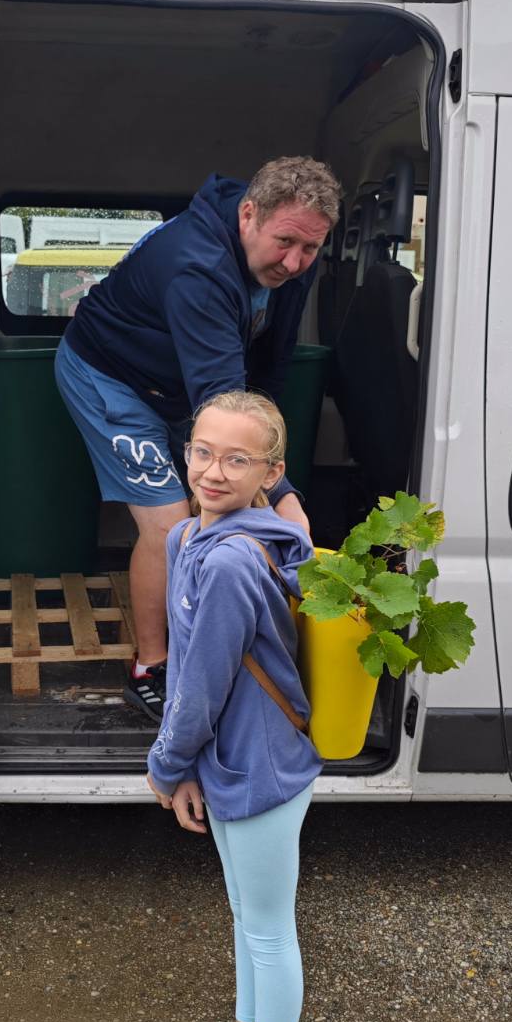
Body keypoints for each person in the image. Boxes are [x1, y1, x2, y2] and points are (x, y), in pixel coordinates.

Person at [55, 156, 341, 721]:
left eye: (310, 250)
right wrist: (283, 497)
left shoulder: (292, 249)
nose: (294, 262)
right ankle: (151, 667)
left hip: (182, 381)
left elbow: (269, 368)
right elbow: (224, 405)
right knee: (169, 526)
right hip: (110, 376)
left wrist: (281, 484)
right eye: (285, 243)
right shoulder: (199, 269)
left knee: (223, 490)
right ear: (249, 214)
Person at [146, 390, 323, 1022]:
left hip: (260, 769)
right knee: (248, 920)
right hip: (226, 762)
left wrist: (165, 764)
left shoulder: (229, 563)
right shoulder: (188, 537)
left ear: (271, 474)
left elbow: (203, 683)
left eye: (238, 459)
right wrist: (188, 766)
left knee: (268, 931)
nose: (214, 470)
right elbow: (187, 665)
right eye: (202, 451)